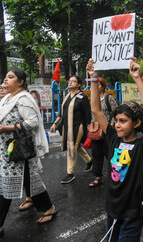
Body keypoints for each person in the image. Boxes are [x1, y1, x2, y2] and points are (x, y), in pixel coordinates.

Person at [87, 57, 143, 242]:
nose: (117, 125)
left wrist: (137, 78)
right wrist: (93, 78)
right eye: (116, 121)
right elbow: (96, 109)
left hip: (132, 211)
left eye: (123, 121)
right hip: (112, 208)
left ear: (137, 123)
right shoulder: (112, 139)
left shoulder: (142, 146)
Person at [0, 68, 57, 237]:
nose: (5, 80)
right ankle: (47, 207)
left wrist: (5, 129)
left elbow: (32, 123)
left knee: (10, 185)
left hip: (19, 151)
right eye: (5, 77)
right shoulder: (7, 99)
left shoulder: (23, 99)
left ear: (20, 82)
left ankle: (48, 208)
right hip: (6, 152)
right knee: (27, 181)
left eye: (10, 77)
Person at [50, 75, 93, 184]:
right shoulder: (67, 96)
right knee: (76, 146)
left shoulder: (82, 97)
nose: (70, 83)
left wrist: (89, 126)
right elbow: (62, 113)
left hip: (78, 126)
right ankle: (89, 161)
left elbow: (87, 113)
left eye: (73, 81)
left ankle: (70, 173)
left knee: (71, 147)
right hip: (67, 127)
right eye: (69, 81)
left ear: (78, 84)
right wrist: (55, 123)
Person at [89, 77, 118, 187]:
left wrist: (112, 124)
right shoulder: (93, 99)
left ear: (103, 87)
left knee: (109, 153)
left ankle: (116, 175)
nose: (97, 87)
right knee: (96, 154)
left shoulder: (108, 98)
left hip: (107, 131)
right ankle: (98, 177)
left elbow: (116, 112)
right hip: (95, 130)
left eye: (99, 85)